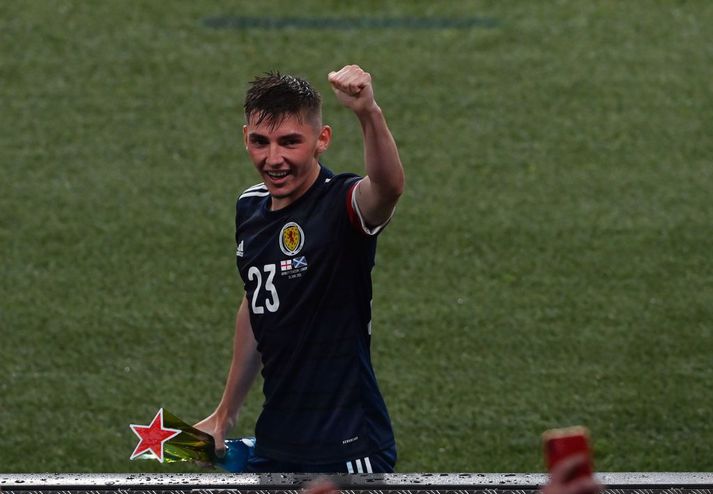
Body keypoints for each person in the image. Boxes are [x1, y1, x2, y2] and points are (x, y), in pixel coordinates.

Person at [195, 64, 405, 473]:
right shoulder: (250, 206)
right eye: (260, 142)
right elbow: (257, 302)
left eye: (290, 142)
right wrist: (225, 415)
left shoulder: (342, 206)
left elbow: (387, 187)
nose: (274, 159)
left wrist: (368, 112)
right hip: (278, 444)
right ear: (244, 139)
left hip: (348, 450)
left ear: (321, 140)